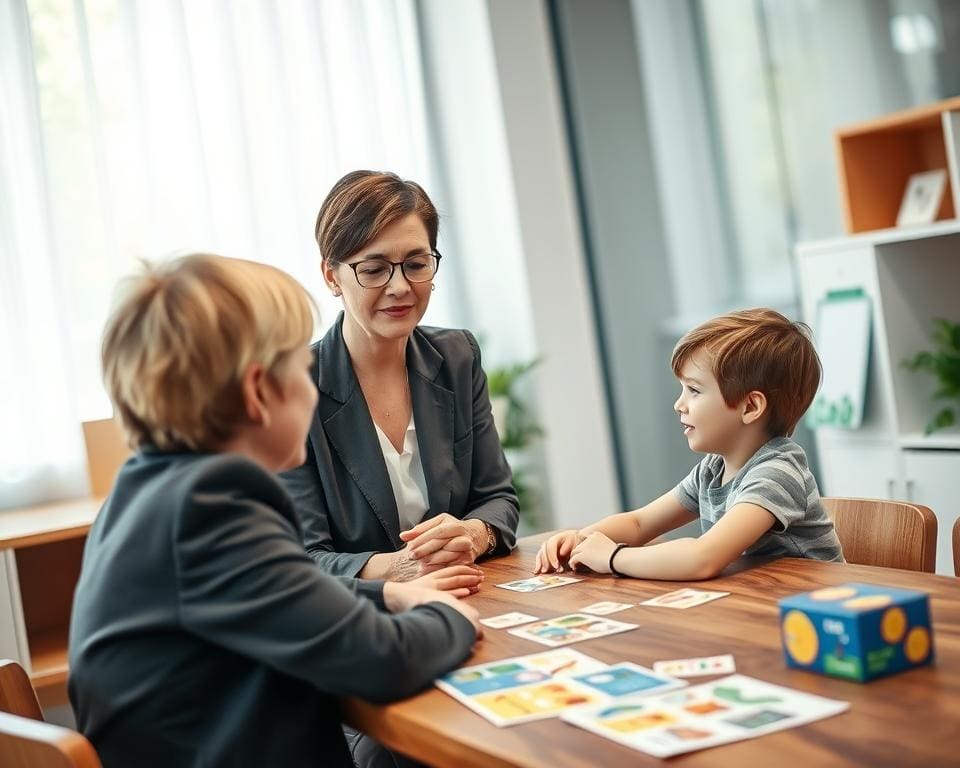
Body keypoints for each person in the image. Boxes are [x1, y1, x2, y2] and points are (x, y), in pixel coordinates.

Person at [68, 253, 481, 768]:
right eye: (300, 371)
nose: (314, 390)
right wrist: (451, 617)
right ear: (258, 392)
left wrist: (388, 594)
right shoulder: (211, 506)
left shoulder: (148, 488)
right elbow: (381, 661)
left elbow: (280, 593)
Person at [282, 170, 519, 583]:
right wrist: (397, 568)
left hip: (464, 596)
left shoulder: (457, 356)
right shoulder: (290, 387)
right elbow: (301, 558)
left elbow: (497, 498)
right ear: (331, 276)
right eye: (373, 269)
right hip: (360, 621)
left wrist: (471, 534)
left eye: (415, 264)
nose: (400, 287)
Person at [534, 308, 843, 580]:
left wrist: (612, 557)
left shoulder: (777, 473)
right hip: (760, 607)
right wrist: (582, 539)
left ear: (750, 407)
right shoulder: (712, 469)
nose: (679, 405)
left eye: (694, 391)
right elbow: (640, 523)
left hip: (819, 620)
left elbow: (702, 559)